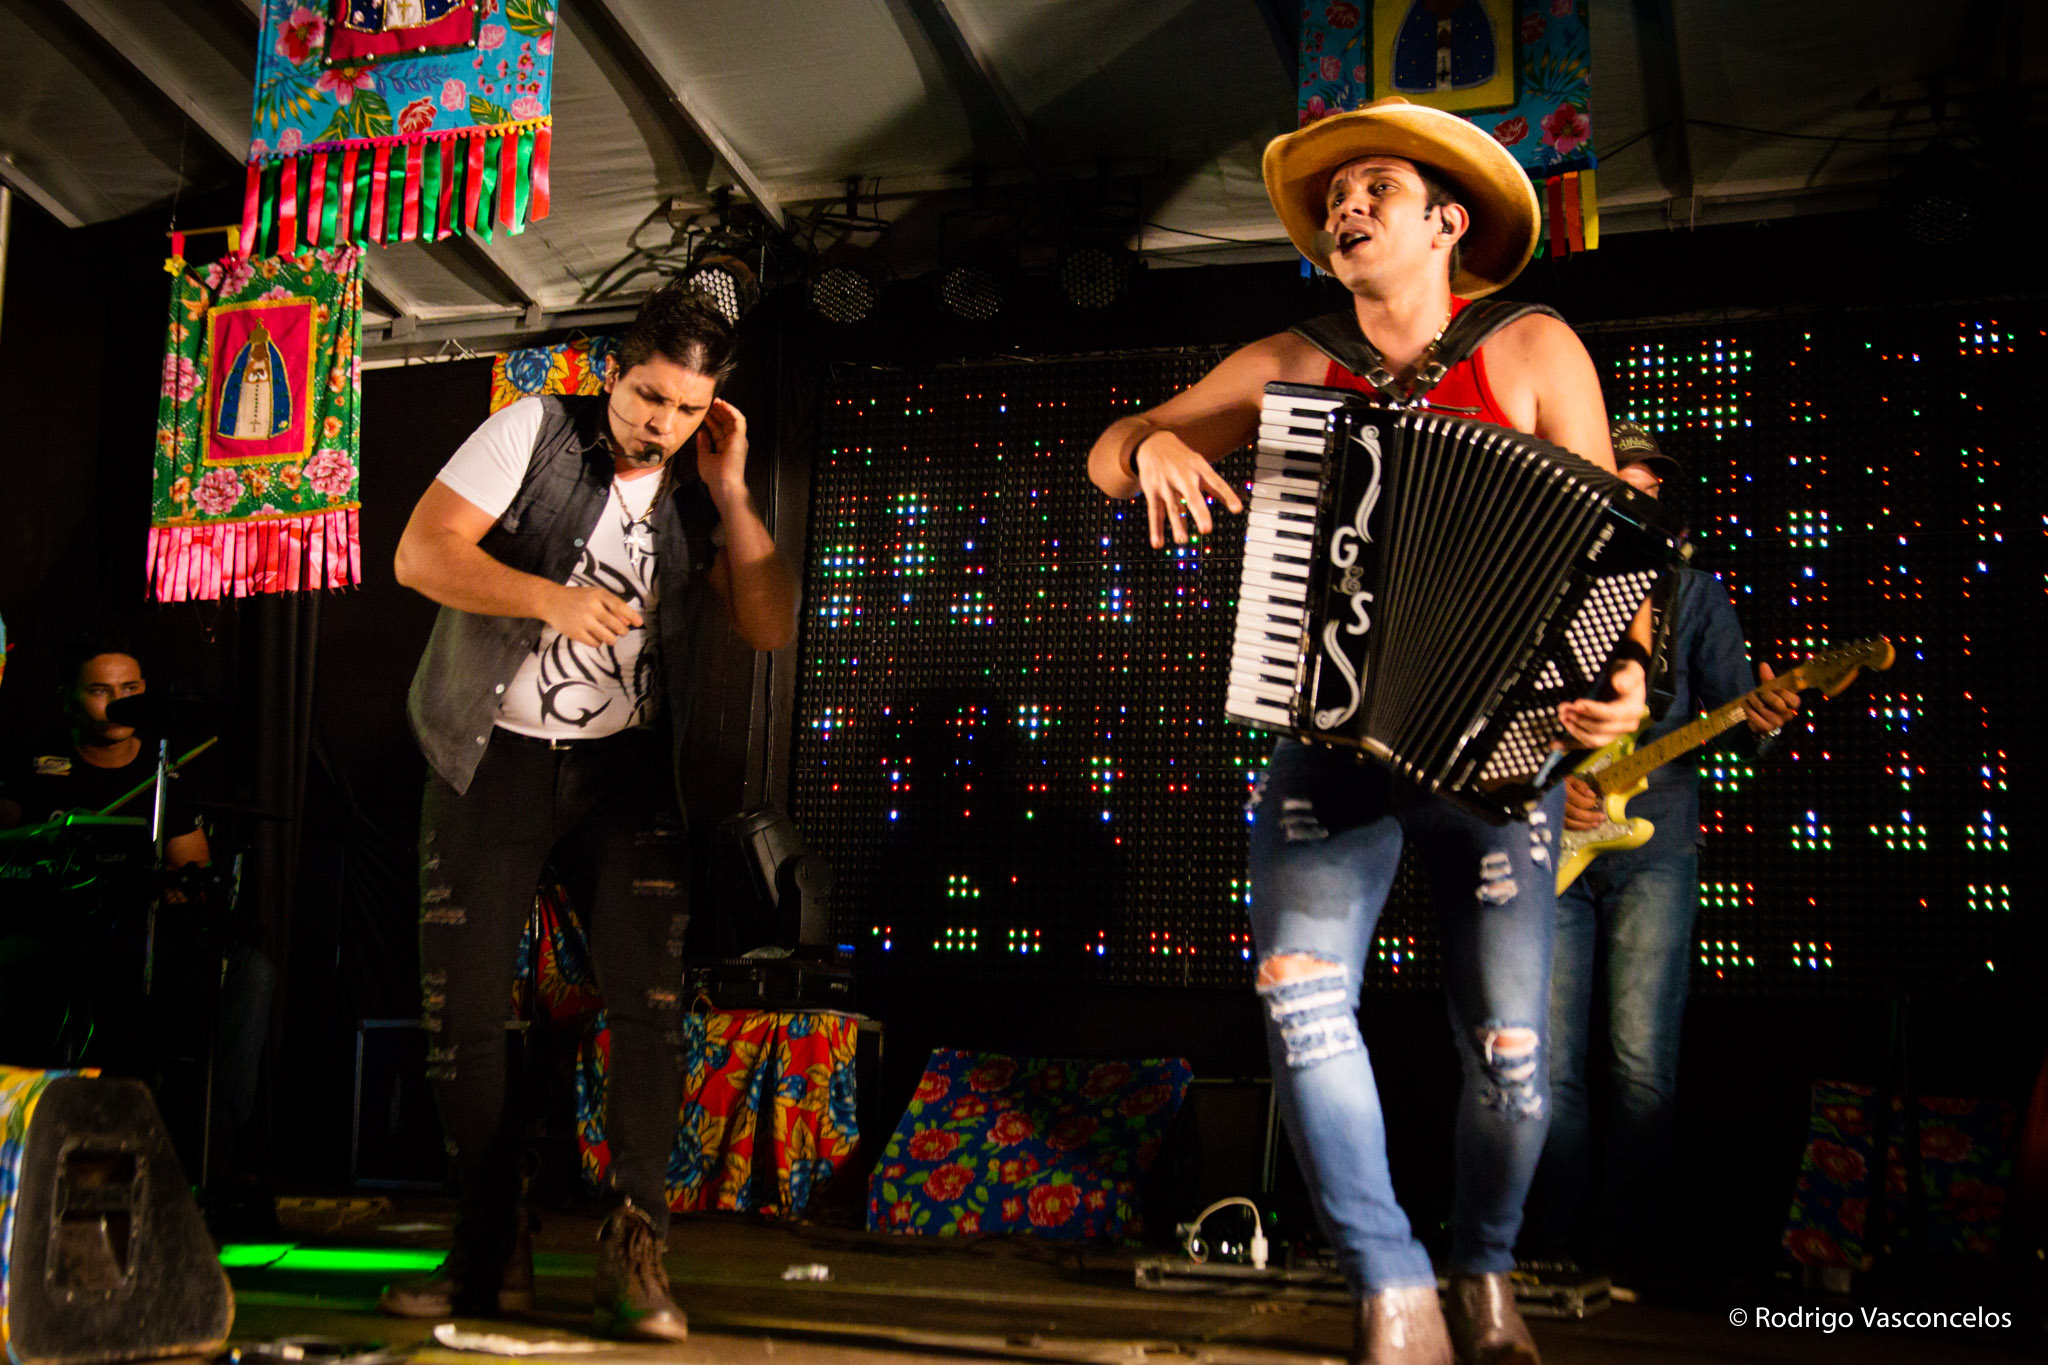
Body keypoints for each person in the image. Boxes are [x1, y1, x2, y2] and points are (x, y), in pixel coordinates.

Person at [1088, 98, 1653, 1365]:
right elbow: (1110, 452)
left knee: (1511, 1053)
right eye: (1334, 196)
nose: (1346, 207)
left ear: (1446, 222)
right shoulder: (1288, 361)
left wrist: (1620, 683)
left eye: (1375, 189)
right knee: (1299, 1003)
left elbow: (1611, 547)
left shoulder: (1533, 347)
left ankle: (1485, 1274)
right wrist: (1155, 445)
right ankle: (1388, 1285)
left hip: (1501, 749)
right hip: (1328, 737)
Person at [383, 285, 797, 1340]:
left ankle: (635, 1246)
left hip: (625, 778)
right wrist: (548, 597)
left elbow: (766, 625)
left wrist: (733, 490)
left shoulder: (701, 488)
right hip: (490, 758)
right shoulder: (533, 432)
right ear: (614, 372)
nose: (663, 423)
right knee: (463, 1013)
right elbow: (420, 555)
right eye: (649, 396)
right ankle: (491, 1245)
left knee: (647, 1007)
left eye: (688, 408)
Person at [1521, 424, 1797, 1283]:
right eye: (1622, 486)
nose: (1635, 503)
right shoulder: (1542, 587)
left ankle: (1627, 1264)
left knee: (1641, 1063)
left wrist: (1766, 715)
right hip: (1553, 847)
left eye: (1646, 491)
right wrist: (1547, 787)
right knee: (1549, 1064)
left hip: (1657, 847)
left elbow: (1740, 712)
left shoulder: (1695, 594)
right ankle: (1552, 1253)